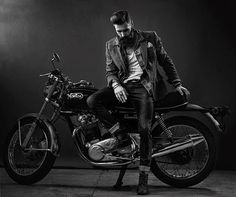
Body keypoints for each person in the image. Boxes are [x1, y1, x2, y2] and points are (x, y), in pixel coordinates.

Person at [87, 10, 190, 195]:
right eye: (118, 31)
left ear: (131, 24)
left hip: (145, 88)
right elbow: (110, 71)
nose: (122, 34)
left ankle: (143, 180)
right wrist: (116, 85)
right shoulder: (110, 45)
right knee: (93, 100)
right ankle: (122, 136)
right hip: (123, 87)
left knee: (144, 129)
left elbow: (165, 61)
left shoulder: (149, 37)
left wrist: (177, 84)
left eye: (125, 30)